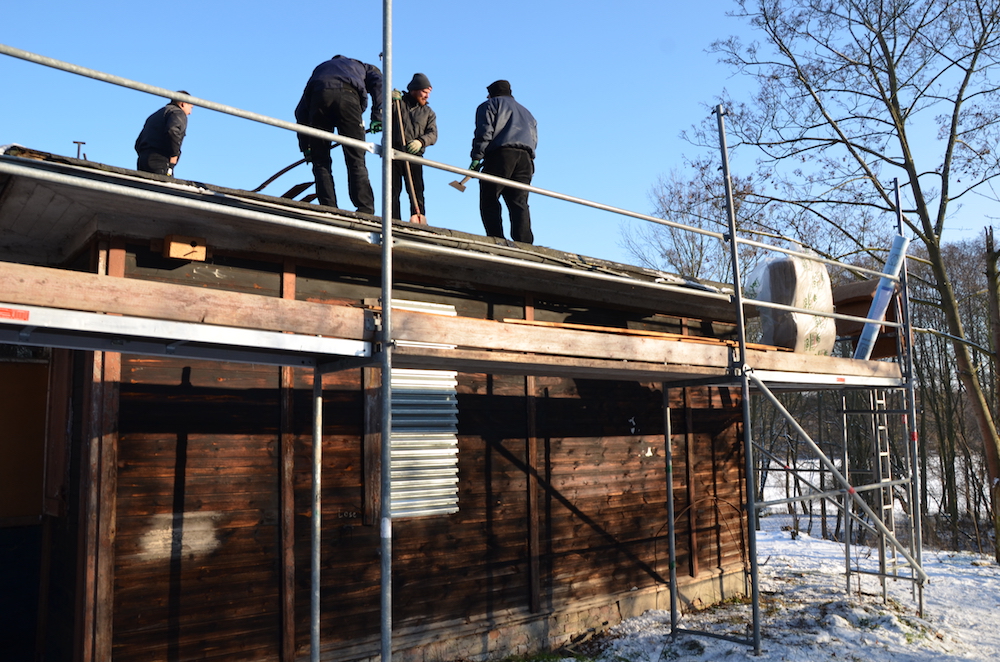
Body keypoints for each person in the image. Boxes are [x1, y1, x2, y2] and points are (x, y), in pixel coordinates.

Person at [295, 55, 383, 215]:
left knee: (320, 161)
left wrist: (307, 146)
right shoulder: (363, 67)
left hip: (319, 98)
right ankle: (365, 210)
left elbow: (300, 111)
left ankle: (328, 208)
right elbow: (379, 83)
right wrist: (379, 115)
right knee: (356, 158)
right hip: (348, 97)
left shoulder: (321, 68)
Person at [469, 80, 537, 244]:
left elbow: (485, 131)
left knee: (489, 197)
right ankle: (525, 244)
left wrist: (477, 157)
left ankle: (496, 239)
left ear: (492, 93)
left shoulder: (489, 105)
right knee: (519, 202)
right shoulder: (527, 112)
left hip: (501, 154)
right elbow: (534, 139)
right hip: (526, 159)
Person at [391, 73, 437, 223]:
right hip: (394, 153)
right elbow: (381, 114)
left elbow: (433, 134)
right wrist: (388, 99)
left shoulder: (428, 113)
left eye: (428, 93)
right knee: (392, 190)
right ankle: (393, 219)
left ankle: (418, 217)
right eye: (424, 92)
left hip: (414, 155)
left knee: (417, 190)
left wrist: (421, 142)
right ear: (415, 90)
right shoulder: (397, 104)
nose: (427, 96)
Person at [135, 92, 193, 176]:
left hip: (143, 158)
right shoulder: (178, 113)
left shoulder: (155, 115)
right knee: (162, 187)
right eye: (191, 107)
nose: (190, 112)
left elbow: (139, 141)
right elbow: (173, 131)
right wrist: (174, 154)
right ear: (183, 104)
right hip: (161, 159)